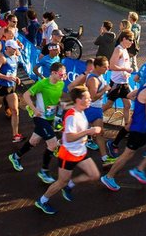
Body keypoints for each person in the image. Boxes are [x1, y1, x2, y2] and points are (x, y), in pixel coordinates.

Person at [34, 87, 103, 215]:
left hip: (81, 152)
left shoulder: (81, 111)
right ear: (78, 100)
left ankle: (70, 185)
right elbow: (70, 138)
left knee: (94, 175)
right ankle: (42, 201)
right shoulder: (72, 115)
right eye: (87, 98)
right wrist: (89, 131)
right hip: (69, 155)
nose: (90, 100)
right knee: (61, 181)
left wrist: (88, 133)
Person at [9, 62, 67, 184]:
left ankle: (16, 156)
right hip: (40, 118)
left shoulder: (61, 83)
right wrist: (34, 109)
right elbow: (26, 95)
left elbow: (59, 99)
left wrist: (60, 111)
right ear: (53, 73)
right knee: (52, 144)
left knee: (33, 141)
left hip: (50, 118)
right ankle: (44, 170)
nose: (63, 76)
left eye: (64, 74)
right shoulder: (42, 84)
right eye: (62, 74)